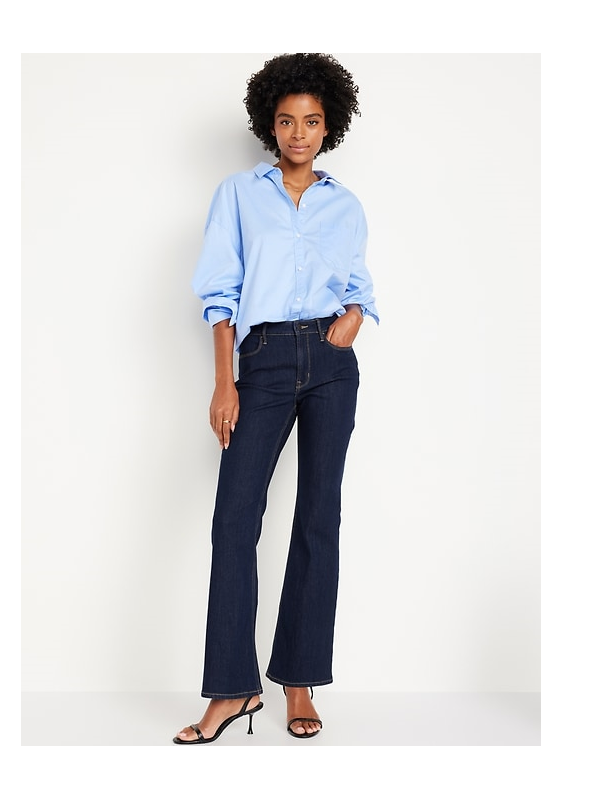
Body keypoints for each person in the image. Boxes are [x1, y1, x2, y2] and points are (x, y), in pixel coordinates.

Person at [173, 52, 379, 745]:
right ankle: (233, 689)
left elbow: (359, 283)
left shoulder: (345, 205)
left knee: (319, 520)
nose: (298, 133)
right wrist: (223, 380)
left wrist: (352, 320)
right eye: (287, 121)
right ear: (270, 123)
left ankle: (299, 681)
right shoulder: (238, 194)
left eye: (311, 121)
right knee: (235, 521)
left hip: (331, 363)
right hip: (260, 360)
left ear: (329, 126)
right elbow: (221, 289)